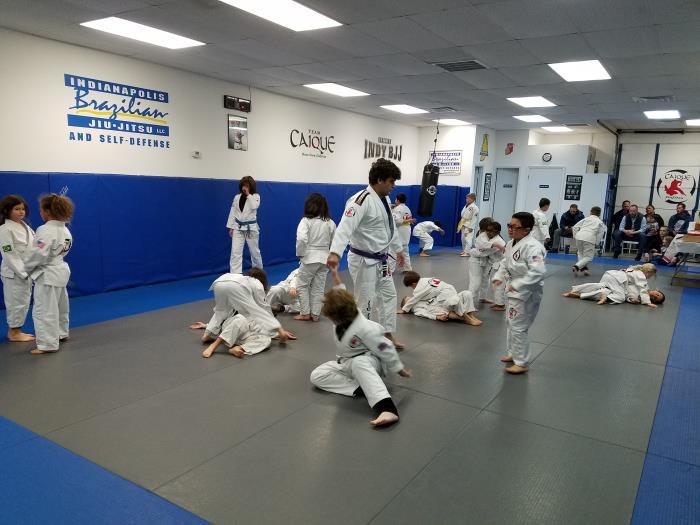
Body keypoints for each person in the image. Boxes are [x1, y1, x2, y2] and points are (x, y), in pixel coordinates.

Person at [309, 266, 411, 428]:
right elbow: (340, 291)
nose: (331, 321)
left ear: (339, 316)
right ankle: (361, 387)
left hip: (370, 361)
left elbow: (386, 347)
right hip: (347, 361)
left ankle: (386, 408)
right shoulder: (346, 311)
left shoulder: (365, 329)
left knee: (359, 363)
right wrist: (334, 273)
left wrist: (399, 368)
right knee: (317, 375)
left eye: (331, 318)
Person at [327, 158, 405, 349]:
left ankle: (387, 333)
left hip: (382, 259)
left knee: (389, 296)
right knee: (366, 301)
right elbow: (345, 227)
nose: (394, 186)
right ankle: (363, 341)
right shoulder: (360, 201)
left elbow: (390, 228)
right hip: (364, 260)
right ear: (379, 180)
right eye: (391, 181)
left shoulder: (385, 199)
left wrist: (398, 249)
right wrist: (335, 253)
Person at [189, 268, 296, 357]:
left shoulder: (242, 292)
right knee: (241, 319)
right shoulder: (255, 286)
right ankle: (214, 345)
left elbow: (221, 312)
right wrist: (279, 329)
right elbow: (263, 310)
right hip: (234, 327)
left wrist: (207, 327)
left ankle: (238, 348)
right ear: (263, 282)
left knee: (266, 340)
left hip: (219, 282)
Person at [492, 212, 546, 374]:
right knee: (511, 323)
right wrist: (499, 276)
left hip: (527, 291)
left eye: (515, 227)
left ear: (527, 229)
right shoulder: (511, 243)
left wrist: (518, 284)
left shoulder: (533, 247)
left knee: (518, 326)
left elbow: (538, 271)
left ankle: (521, 362)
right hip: (513, 289)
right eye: (509, 225)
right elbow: (505, 262)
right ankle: (513, 353)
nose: (510, 229)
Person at [23, 194, 74, 355]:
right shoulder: (65, 230)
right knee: (60, 306)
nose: (40, 212)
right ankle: (61, 333)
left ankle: (47, 344)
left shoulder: (45, 230)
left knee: (44, 310)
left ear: (47, 211)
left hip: (48, 274)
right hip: (60, 271)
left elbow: (38, 253)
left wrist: (27, 267)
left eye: (41, 210)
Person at [294, 193, 336, 322]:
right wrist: (331, 255)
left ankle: (305, 313)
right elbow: (335, 242)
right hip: (325, 259)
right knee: (318, 287)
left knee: (302, 285)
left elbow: (301, 239)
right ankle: (315, 314)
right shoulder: (330, 222)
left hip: (309, 258)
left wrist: (300, 253)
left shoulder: (306, 221)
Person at [0, 195, 35, 342]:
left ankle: (17, 330)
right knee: (15, 302)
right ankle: (13, 332)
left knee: (24, 301)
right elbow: (9, 254)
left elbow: (36, 245)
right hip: (14, 272)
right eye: (17, 209)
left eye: (23, 209)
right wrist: (23, 273)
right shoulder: (5, 229)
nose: (21, 212)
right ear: (7, 210)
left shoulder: (26, 226)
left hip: (28, 271)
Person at [400, 271, 482, 325]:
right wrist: (436, 317)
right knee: (457, 299)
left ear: (414, 284)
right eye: (408, 300)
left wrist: (404, 309)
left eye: (410, 298)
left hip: (445, 298)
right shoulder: (417, 309)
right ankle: (467, 318)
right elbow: (423, 313)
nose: (411, 299)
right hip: (446, 301)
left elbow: (415, 298)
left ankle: (471, 315)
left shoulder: (419, 291)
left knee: (467, 294)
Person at [563, 264, 663, 307]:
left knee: (600, 287)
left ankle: (577, 292)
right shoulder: (641, 276)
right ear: (648, 272)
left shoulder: (635, 271)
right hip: (618, 279)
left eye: (655, 299)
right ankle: (604, 296)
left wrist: (631, 300)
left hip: (611, 277)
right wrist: (647, 303)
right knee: (620, 297)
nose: (654, 296)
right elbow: (643, 289)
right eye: (657, 294)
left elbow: (629, 292)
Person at [226, 176, 263, 274]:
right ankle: (235, 275)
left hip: (251, 228)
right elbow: (233, 212)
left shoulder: (255, 196)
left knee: (254, 252)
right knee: (235, 252)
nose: (244, 187)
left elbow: (254, 206)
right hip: (238, 227)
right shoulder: (237, 197)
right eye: (243, 185)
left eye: (247, 185)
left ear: (251, 186)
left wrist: (248, 195)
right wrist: (231, 227)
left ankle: (258, 274)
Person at [468, 220, 506, 304]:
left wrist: (474, 251)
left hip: (488, 261)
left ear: (497, 232)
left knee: (485, 281)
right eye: (487, 230)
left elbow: (483, 251)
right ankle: (469, 304)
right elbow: (480, 251)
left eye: (491, 230)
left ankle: (482, 298)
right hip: (476, 260)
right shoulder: (483, 235)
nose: (488, 232)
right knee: (475, 283)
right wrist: (494, 245)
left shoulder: (500, 241)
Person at [572, 206, 606, 276]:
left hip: (579, 236)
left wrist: (575, 236)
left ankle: (584, 269)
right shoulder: (600, 222)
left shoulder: (586, 219)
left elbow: (575, 227)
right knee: (589, 257)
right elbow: (600, 234)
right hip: (589, 238)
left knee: (580, 253)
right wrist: (596, 243)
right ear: (599, 214)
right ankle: (576, 266)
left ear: (591, 212)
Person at [391, 192, 415, 272]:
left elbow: (396, 221)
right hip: (407, 230)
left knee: (393, 250)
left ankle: (390, 270)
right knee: (405, 250)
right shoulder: (407, 208)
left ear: (397, 200)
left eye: (395, 199)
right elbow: (408, 220)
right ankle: (407, 269)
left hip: (399, 231)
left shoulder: (397, 209)